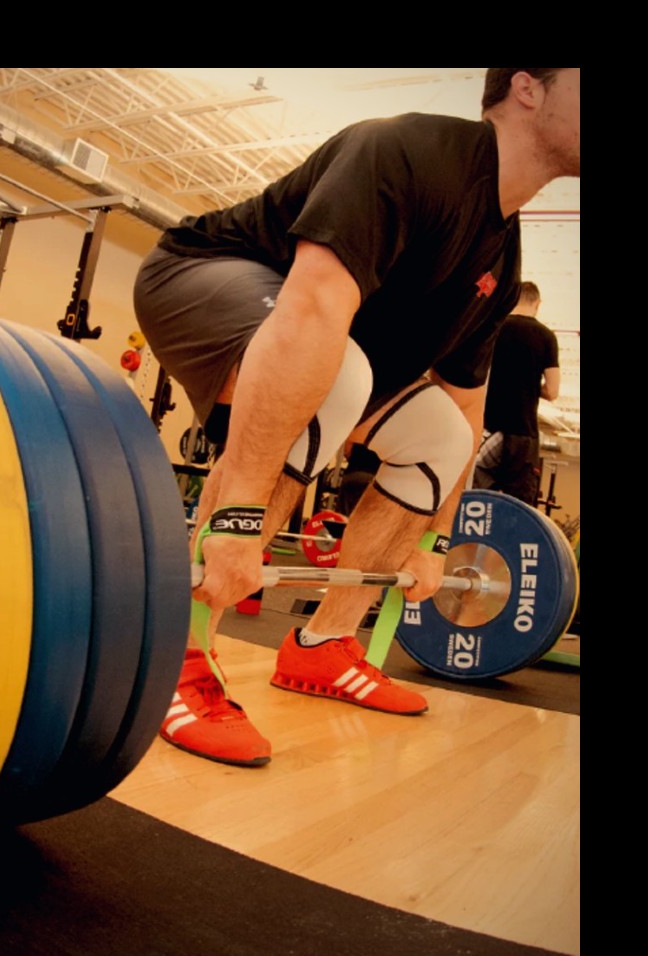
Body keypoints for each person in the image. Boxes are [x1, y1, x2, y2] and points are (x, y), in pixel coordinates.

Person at [133, 68, 580, 768]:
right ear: (528, 87)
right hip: (202, 275)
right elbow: (310, 313)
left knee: (434, 438)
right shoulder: (408, 154)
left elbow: (465, 410)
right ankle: (175, 657)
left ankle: (323, 644)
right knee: (341, 373)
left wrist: (435, 541)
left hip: (331, 346)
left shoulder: (502, 251)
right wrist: (239, 521)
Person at [473, 282, 560, 506]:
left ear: (512, 299)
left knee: (476, 497)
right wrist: (530, 385)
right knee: (518, 506)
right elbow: (552, 391)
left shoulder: (492, 328)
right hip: (522, 434)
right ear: (537, 304)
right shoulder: (546, 337)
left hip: (487, 430)